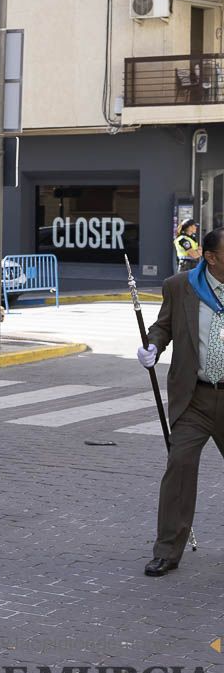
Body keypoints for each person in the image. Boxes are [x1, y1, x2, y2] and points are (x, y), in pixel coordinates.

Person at [137, 227, 224, 576]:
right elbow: (164, 326)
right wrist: (153, 346)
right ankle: (167, 551)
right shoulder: (180, 286)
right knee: (180, 468)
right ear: (212, 257)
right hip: (196, 398)